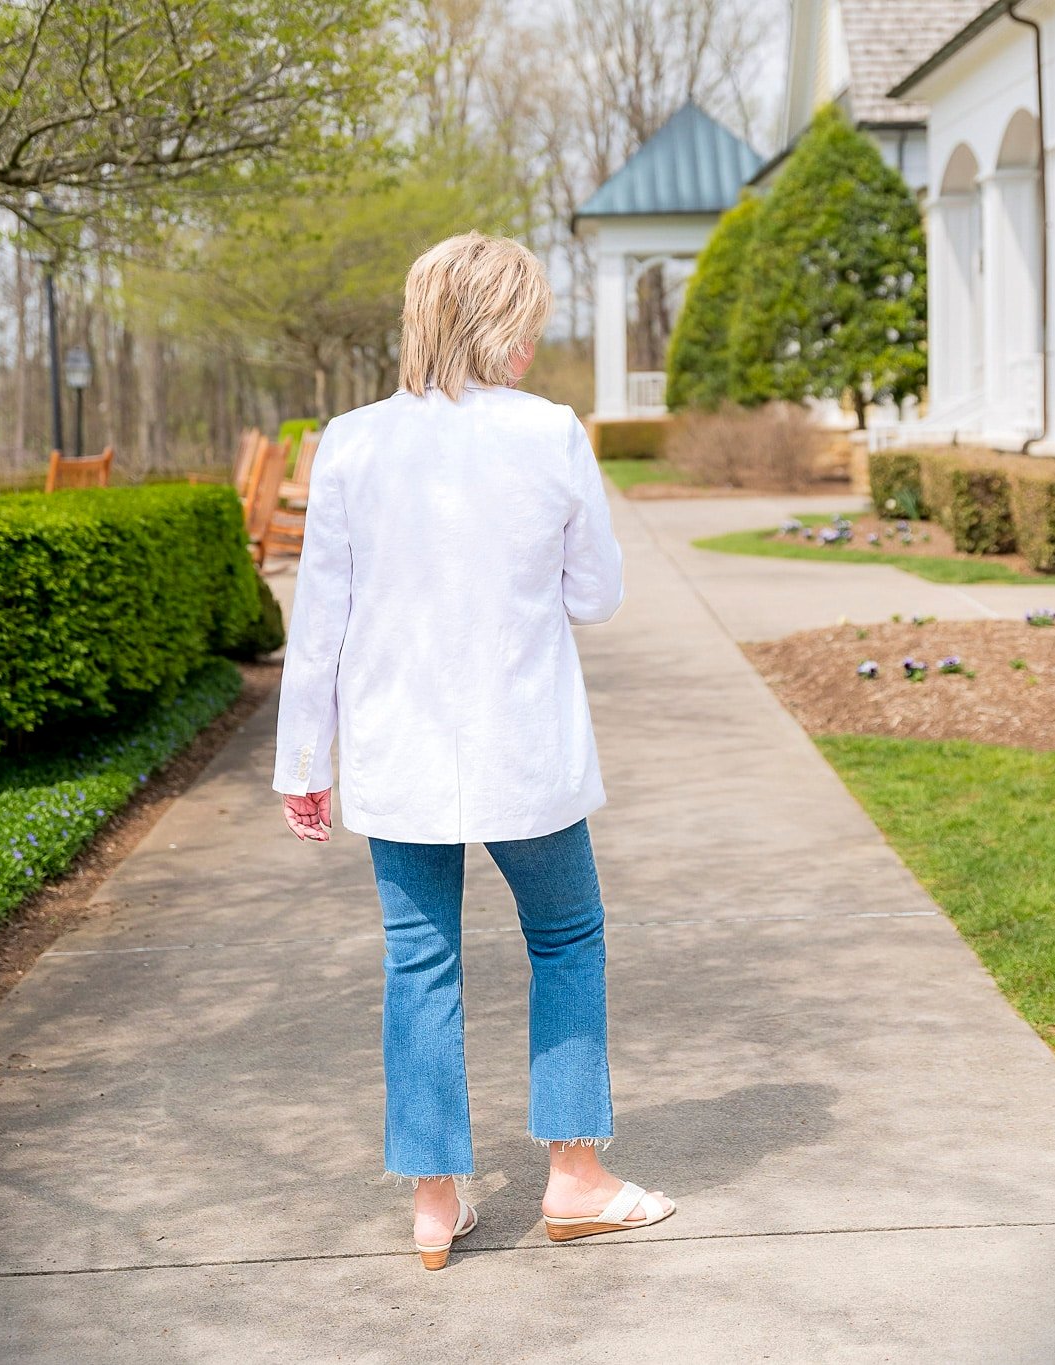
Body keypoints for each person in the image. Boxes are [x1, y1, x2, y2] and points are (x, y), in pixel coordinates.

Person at [272, 231, 675, 1269]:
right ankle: (577, 1179)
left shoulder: (351, 444)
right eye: (530, 321)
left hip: (399, 755)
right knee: (568, 938)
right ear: (504, 328)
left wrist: (303, 765)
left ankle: (435, 1200)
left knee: (420, 960)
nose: (537, 341)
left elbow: (318, 620)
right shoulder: (550, 436)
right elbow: (597, 593)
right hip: (523, 752)